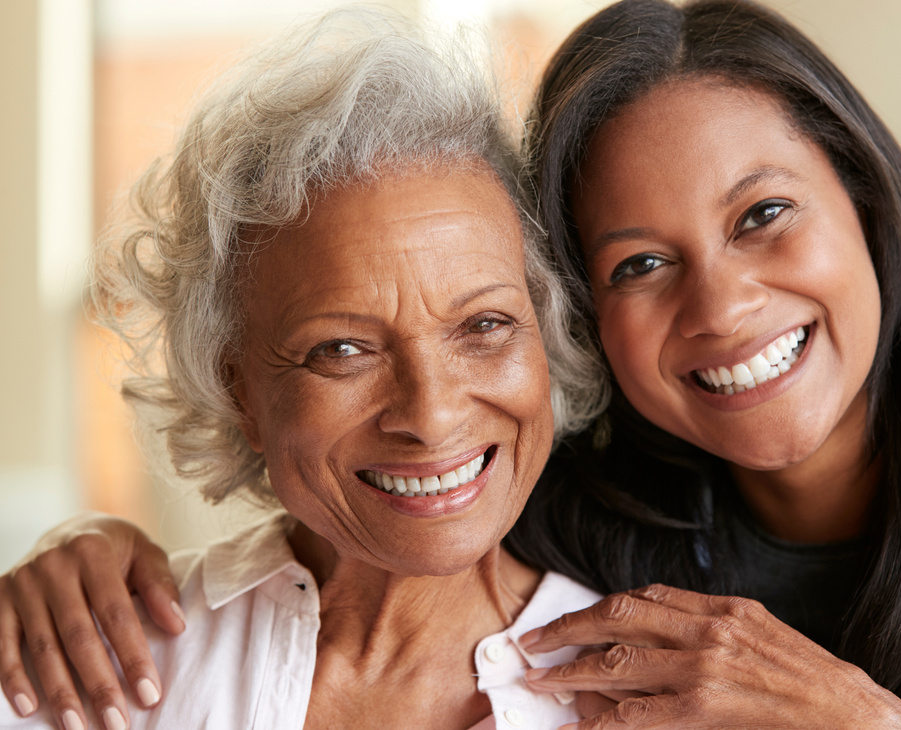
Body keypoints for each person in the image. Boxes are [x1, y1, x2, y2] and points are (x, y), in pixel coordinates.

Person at [4, 0, 901, 728]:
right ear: (582, 321)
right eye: (641, 263)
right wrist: (74, 547)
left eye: (764, 214)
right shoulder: (590, 528)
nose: (721, 304)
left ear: (870, 198)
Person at [0, 7, 616, 730]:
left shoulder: (657, 694)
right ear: (239, 393)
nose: (431, 415)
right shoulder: (89, 667)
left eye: (485, 325)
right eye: (342, 350)